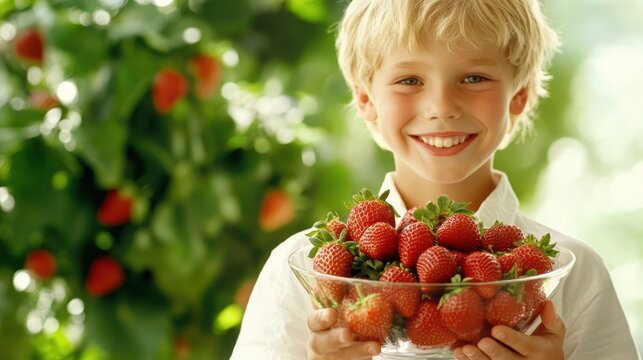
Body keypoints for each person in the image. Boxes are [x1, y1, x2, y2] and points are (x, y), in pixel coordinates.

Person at [231, 0, 640, 359]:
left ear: (519, 97)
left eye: (474, 77)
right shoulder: (302, 269)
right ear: (366, 100)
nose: (441, 107)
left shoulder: (573, 272)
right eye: (410, 80)